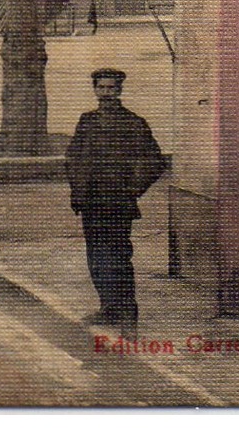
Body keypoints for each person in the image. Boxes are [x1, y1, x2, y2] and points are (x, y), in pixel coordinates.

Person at [64, 67, 167, 338]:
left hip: (118, 203)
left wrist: (131, 189)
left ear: (120, 90)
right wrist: (78, 189)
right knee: (96, 259)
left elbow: (154, 161)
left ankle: (128, 315)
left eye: (111, 88)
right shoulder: (86, 122)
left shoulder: (133, 123)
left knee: (119, 258)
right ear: (95, 90)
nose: (106, 93)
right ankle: (107, 308)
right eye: (101, 88)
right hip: (91, 203)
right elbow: (73, 158)